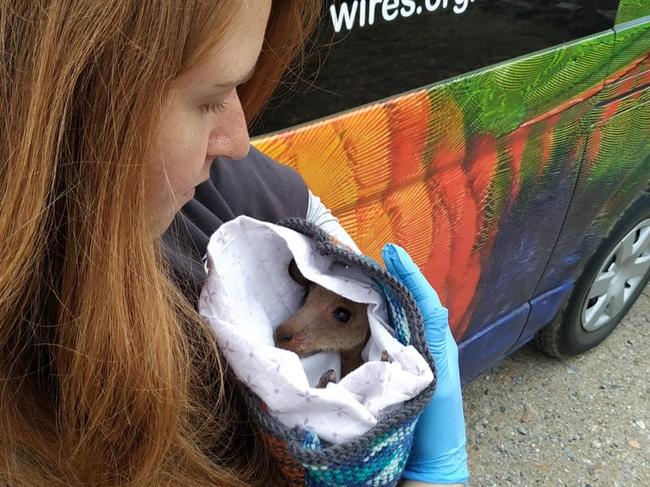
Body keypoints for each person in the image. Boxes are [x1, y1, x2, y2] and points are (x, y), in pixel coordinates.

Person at [0, 1, 468, 486]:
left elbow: (311, 219)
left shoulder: (206, 189)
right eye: (210, 100)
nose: (240, 142)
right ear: (76, 103)